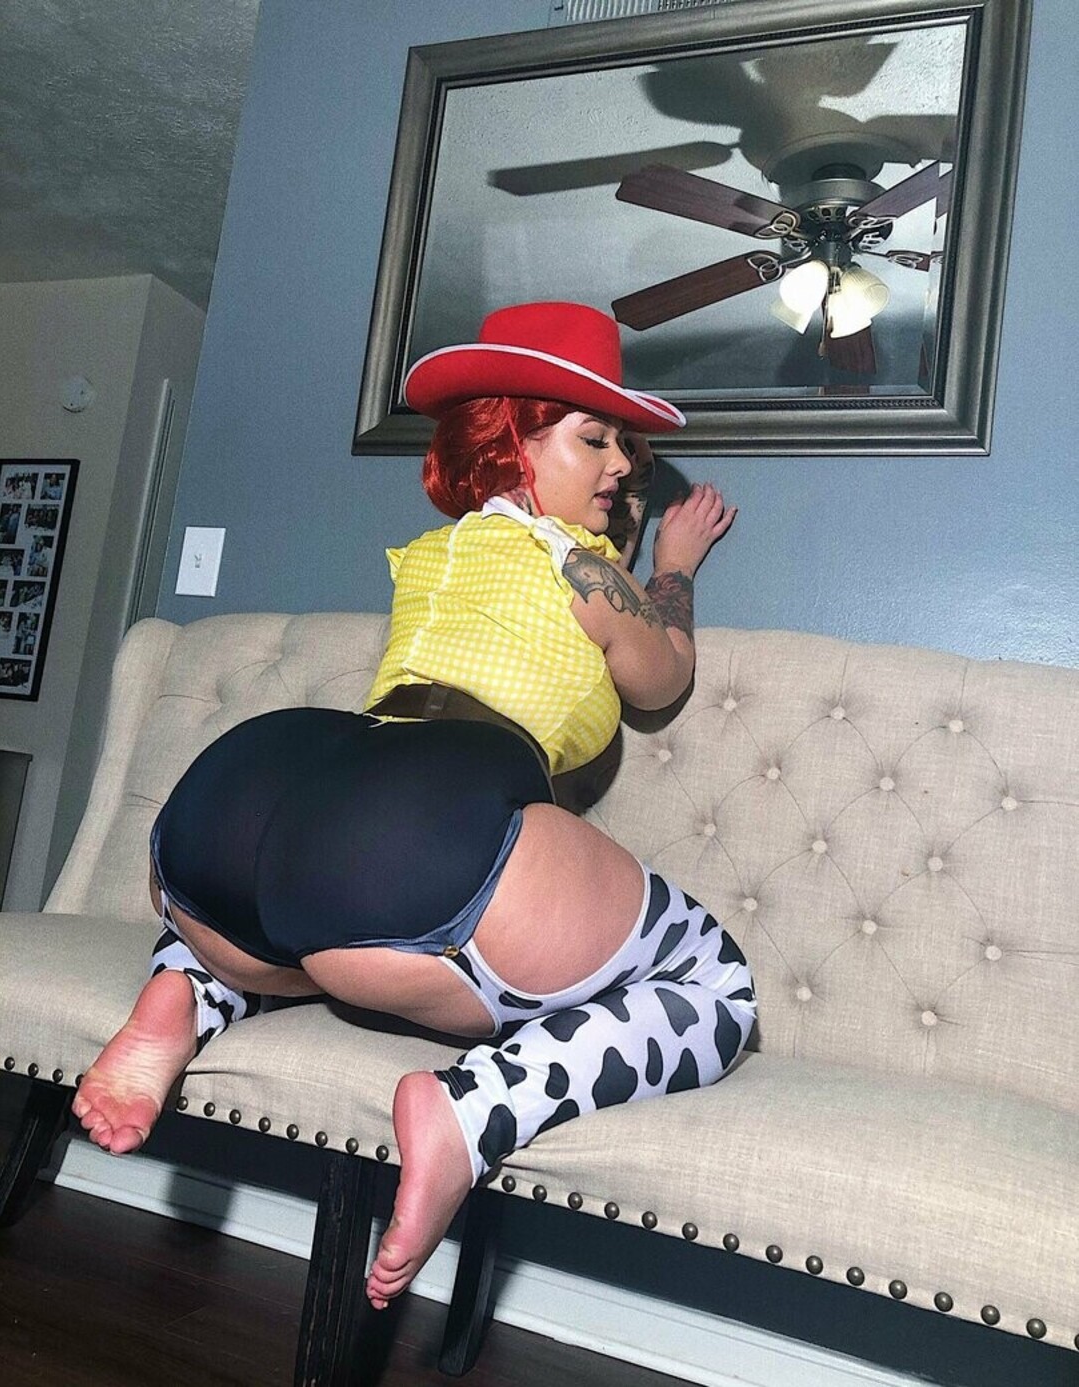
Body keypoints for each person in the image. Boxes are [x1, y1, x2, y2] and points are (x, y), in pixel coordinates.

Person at [72, 301, 755, 1309]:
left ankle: (181, 989)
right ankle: (471, 1111)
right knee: (714, 983)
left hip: (243, 799)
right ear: (515, 438)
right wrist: (671, 569)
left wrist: (608, 517)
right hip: (414, 836)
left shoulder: (435, 554)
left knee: (309, 932)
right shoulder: (583, 567)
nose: (621, 464)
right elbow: (663, 678)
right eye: (596, 437)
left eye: (625, 447)